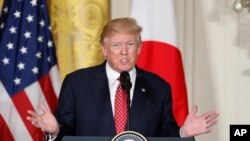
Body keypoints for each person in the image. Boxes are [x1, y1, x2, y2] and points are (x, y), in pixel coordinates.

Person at [26, 17, 219, 141]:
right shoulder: (77, 83)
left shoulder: (158, 87)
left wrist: (184, 133)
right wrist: (54, 130)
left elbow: (165, 135)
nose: (124, 52)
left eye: (130, 44)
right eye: (117, 45)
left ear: (140, 48)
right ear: (104, 49)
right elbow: (65, 133)